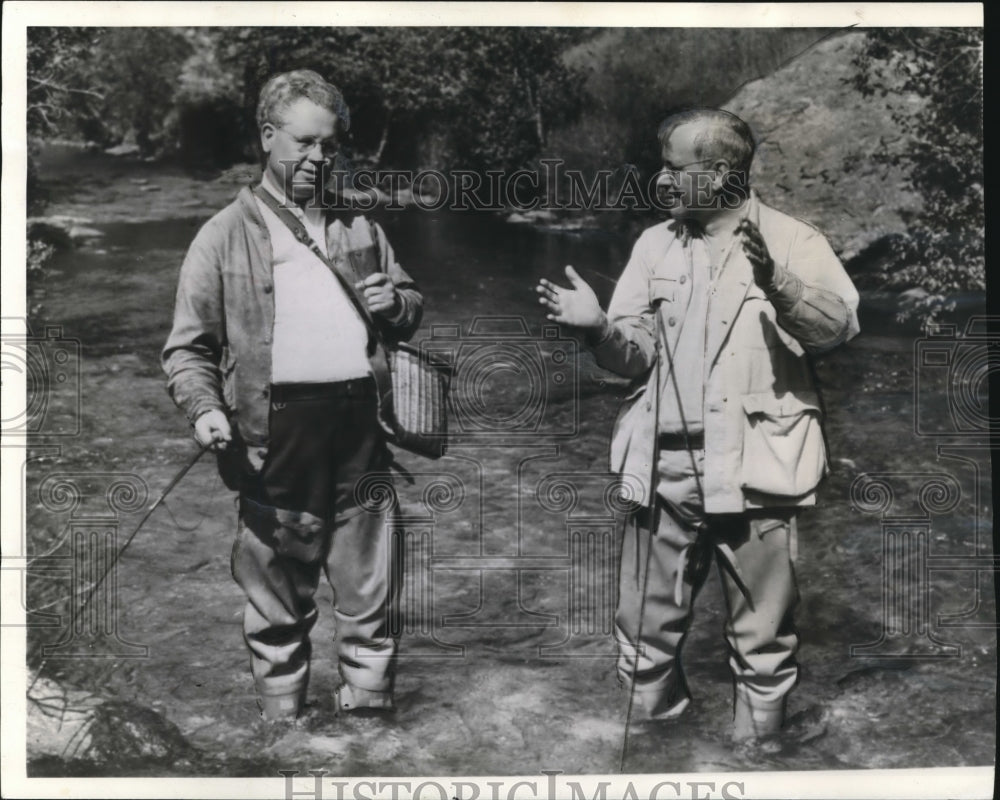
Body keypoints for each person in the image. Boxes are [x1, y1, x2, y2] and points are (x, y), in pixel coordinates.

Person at [536, 108, 859, 739]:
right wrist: (597, 328)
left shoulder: (797, 241)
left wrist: (780, 285)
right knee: (641, 635)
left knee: (764, 641)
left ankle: (756, 763)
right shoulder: (654, 244)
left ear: (718, 174)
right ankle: (666, 759)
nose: (660, 181)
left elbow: (837, 332)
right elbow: (634, 357)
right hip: (663, 472)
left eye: (673, 169)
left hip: (759, 473)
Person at [162, 70, 423, 721]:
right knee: (277, 601)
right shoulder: (221, 235)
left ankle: (371, 735)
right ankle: (284, 738)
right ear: (267, 135)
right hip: (274, 440)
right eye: (304, 143)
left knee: (373, 593)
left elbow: (411, 306)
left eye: (329, 146)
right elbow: (187, 350)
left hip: (363, 432)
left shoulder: (359, 225)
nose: (317, 159)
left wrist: (397, 303)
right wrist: (206, 411)